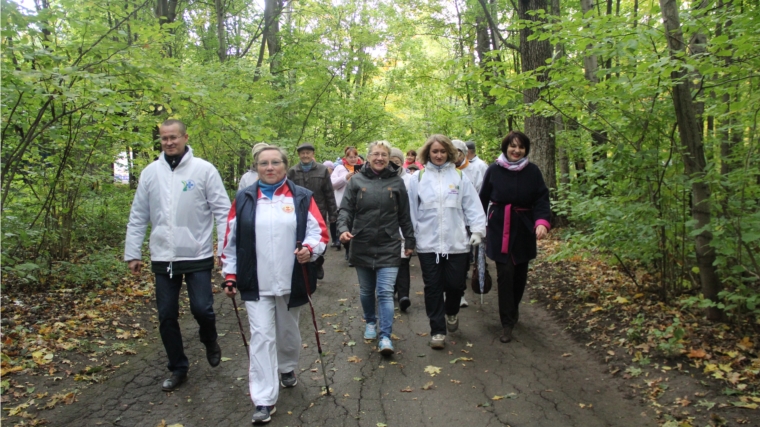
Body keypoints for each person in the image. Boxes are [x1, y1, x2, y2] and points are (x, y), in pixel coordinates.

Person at [221, 146, 328, 424]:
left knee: (288, 331)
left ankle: (288, 367)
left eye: (275, 163)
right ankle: (264, 400)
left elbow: (320, 233)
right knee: (261, 336)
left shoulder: (302, 197)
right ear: (256, 167)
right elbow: (230, 242)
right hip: (255, 281)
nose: (270, 168)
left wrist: (309, 249)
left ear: (285, 165)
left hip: (292, 278)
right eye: (263, 163)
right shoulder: (244, 198)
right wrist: (229, 274)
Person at [124, 119, 231, 391]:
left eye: (174, 137)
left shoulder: (204, 170)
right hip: (163, 255)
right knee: (167, 315)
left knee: (202, 309)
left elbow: (223, 211)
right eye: (164, 138)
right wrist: (132, 252)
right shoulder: (150, 173)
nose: (169, 142)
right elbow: (138, 215)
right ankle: (178, 367)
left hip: (196, 253)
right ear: (160, 140)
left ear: (184, 137)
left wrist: (224, 250)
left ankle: (209, 339)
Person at [407, 135, 486, 349]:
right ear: (428, 154)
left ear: (449, 153)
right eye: (435, 151)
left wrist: (478, 229)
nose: (439, 155)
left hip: (456, 242)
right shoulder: (418, 178)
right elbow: (411, 211)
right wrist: (409, 239)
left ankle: (451, 312)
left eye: (442, 151)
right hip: (428, 243)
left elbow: (472, 205)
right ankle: (437, 331)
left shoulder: (460, 177)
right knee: (432, 287)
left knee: (454, 285)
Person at [337, 141, 415, 355]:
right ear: (368, 157)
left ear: (389, 158)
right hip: (361, 242)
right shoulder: (356, 181)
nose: (380, 158)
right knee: (365, 290)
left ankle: (386, 337)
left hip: (389, 244)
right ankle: (370, 322)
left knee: (385, 292)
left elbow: (404, 215)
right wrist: (343, 229)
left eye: (384, 155)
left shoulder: (397, 182)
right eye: (376, 154)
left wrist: (409, 241)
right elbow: (346, 210)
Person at [479, 131, 550, 343]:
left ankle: (513, 309)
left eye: (520, 147)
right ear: (505, 148)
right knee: (505, 274)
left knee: (519, 274)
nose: (516, 150)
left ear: (526, 149)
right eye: (512, 146)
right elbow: (482, 199)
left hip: (524, 227)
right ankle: (507, 323)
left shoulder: (533, 171)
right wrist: (478, 225)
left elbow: (541, 199)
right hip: (500, 227)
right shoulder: (493, 170)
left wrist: (542, 223)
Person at [287, 143, 339, 280]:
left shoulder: (322, 171)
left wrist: (333, 213)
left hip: (319, 212)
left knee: (320, 239)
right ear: (299, 155)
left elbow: (329, 193)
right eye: (302, 153)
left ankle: (318, 261)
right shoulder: (292, 171)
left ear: (312, 154)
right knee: (302, 239)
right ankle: (304, 269)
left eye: (308, 153)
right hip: (298, 212)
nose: (305, 155)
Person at [389, 147, 414, 312]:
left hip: (405, 224)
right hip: (388, 226)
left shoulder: (410, 179)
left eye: (397, 161)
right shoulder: (383, 179)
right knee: (390, 261)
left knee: (404, 260)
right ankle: (390, 291)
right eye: (392, 161)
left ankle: (404, 294)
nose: (394, 164)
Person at [331, 146, 363, 263]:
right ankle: (348, 250)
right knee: (345, 228)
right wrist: (346, 177)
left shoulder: (362, 168)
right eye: (350, 157)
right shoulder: (339, 168)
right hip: (343, 203)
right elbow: (332, 184)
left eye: (355, 157)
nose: (353, 159)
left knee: (356, 229)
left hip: (359, 203)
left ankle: (354, 253)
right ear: (346, 157)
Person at [323, 160, 340, 247]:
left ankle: (337, 239)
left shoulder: (335, 177)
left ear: (332, 169)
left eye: (327, 168)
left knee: (334, 219)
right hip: (325, 202)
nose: (325, 169)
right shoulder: (321, 176)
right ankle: (334, 239)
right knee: (330, 221)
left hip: (334, 201)